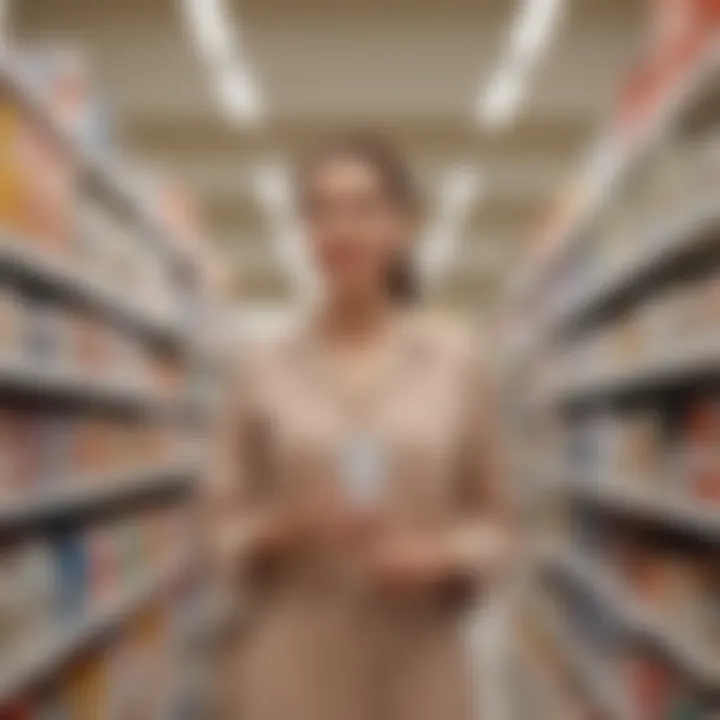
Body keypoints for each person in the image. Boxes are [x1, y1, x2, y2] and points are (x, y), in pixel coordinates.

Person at [207, 132, 510, 720]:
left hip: (419, 665)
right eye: (322, 211)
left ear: (404, 228)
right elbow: (220, 527)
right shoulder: (260, 366)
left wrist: (442, 556)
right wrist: (282, 526)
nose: (342, 230)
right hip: (290, 664)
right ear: (306, 234)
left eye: (365, 209)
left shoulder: (457, 360)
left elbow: (495, 524)